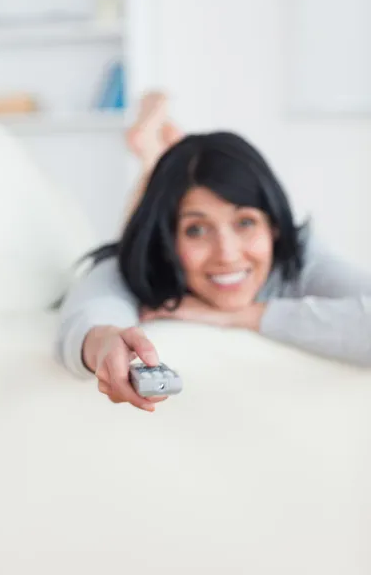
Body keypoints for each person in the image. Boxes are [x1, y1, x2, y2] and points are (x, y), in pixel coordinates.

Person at [56, 92, 371, 412]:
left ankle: (151, 155)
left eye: (246, 222)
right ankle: (151, 156)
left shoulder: (299, 255)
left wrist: (240, 315)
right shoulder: (141, 261)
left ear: (273, 227)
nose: (227, 254)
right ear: (168, 241)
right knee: (140, 221)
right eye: (196, 230)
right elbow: (91, 314)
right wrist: (106, 341)